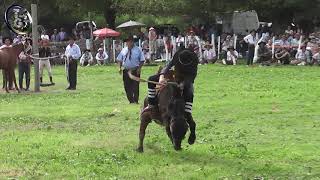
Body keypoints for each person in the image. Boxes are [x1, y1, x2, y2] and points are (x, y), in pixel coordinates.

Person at [144, 44, 199, 144]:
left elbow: (192, 76)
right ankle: (151, 104)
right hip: (173, 76)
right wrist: (162, 78)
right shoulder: (178, 55)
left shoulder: (194, 61)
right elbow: (168, 66)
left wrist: (183, 84)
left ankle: (187, 111)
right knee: (151, 79)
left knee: (190, 91)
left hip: (185, 79)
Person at [117, 35, 145, 104]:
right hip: (126, 70)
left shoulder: (138, 50)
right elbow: (119, 60)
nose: (130, 43)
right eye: (128, 41)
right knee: (127, 86)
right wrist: (119, 68)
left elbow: (142, 60)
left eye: (131, 41)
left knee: (135, 86)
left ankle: (135, 100)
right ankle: (131, 100)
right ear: (126, 42)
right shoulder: (124, 50)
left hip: (135, 70)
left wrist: (139, 68)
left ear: (133, 42)